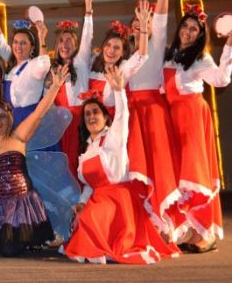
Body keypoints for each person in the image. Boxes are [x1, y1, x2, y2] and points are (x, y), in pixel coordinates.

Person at [63, 65, 179, 264]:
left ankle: (108, 244)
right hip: (99, 199)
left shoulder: (112, 137)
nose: (91, 117)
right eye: (87, 114)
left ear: (105, 117)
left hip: (119, 202)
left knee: (91, 218)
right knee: (80, 218)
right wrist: (82, 202)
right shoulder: (86, 151)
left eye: (95, 112)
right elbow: (90, 186)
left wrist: (118, 91)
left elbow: (122, 116)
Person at [0, 66, 69, 256]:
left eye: (2, 116)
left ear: (9, 119)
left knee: (9, 249)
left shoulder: (18, 136)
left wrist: (55, 87)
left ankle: (24, 240)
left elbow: (39, 113)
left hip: (23, 205)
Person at [164, 2, 232, 252]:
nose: (188, 32)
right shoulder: (169, 54)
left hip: (192, 118)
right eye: (186, 26)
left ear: (200, 35)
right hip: (171, 120)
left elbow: (221, 79)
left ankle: (207, 232)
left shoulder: (201, 58)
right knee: (177, 176)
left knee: (195, 174)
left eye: (194, 29)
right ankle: (190, 229)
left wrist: (229, 46)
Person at [126, 0, 183, 239]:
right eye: (136, 23)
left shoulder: (156, 44)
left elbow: (161, 16)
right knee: (136, 169)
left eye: (145, 22)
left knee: (158, 165)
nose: (141, 25)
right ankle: (143, 220)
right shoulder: (128, 56)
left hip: (153, 112)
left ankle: (163, 221)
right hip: (132, 115)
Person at [51, 0, 94, 179]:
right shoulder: (53, 69)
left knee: (82, 162)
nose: (64, 44)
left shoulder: (81, 61)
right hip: (62, 125)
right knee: (65, 165)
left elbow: (87, 34)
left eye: (69, 40)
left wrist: (88, 6)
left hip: (81, 121)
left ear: (76, 45)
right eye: (61, 40)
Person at [87, 4, 150, 118]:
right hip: (91, 123)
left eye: (116, 48)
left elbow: (141, 56)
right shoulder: (92, 61)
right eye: (108, 45)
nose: (111, 50)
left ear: (122, 53)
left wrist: (144, 27)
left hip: (113, 123)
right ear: (103, 46)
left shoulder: (123, 69)